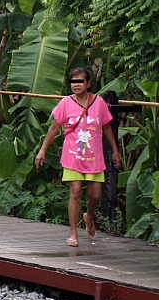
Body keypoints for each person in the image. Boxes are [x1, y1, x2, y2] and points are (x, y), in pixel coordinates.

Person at [35, 67, 121, 247]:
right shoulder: (65, 103)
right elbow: (53, 128)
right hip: (72, 156)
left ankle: (89, 215)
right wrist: (42, 150)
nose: (76, 85)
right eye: (73, 82)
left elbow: (106, 128)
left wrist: (114, 150)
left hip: (94, 158)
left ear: (88, 83)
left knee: (95, 195)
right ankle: (73, 232)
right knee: (75, 192)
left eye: (80, 81)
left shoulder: (99, 103)